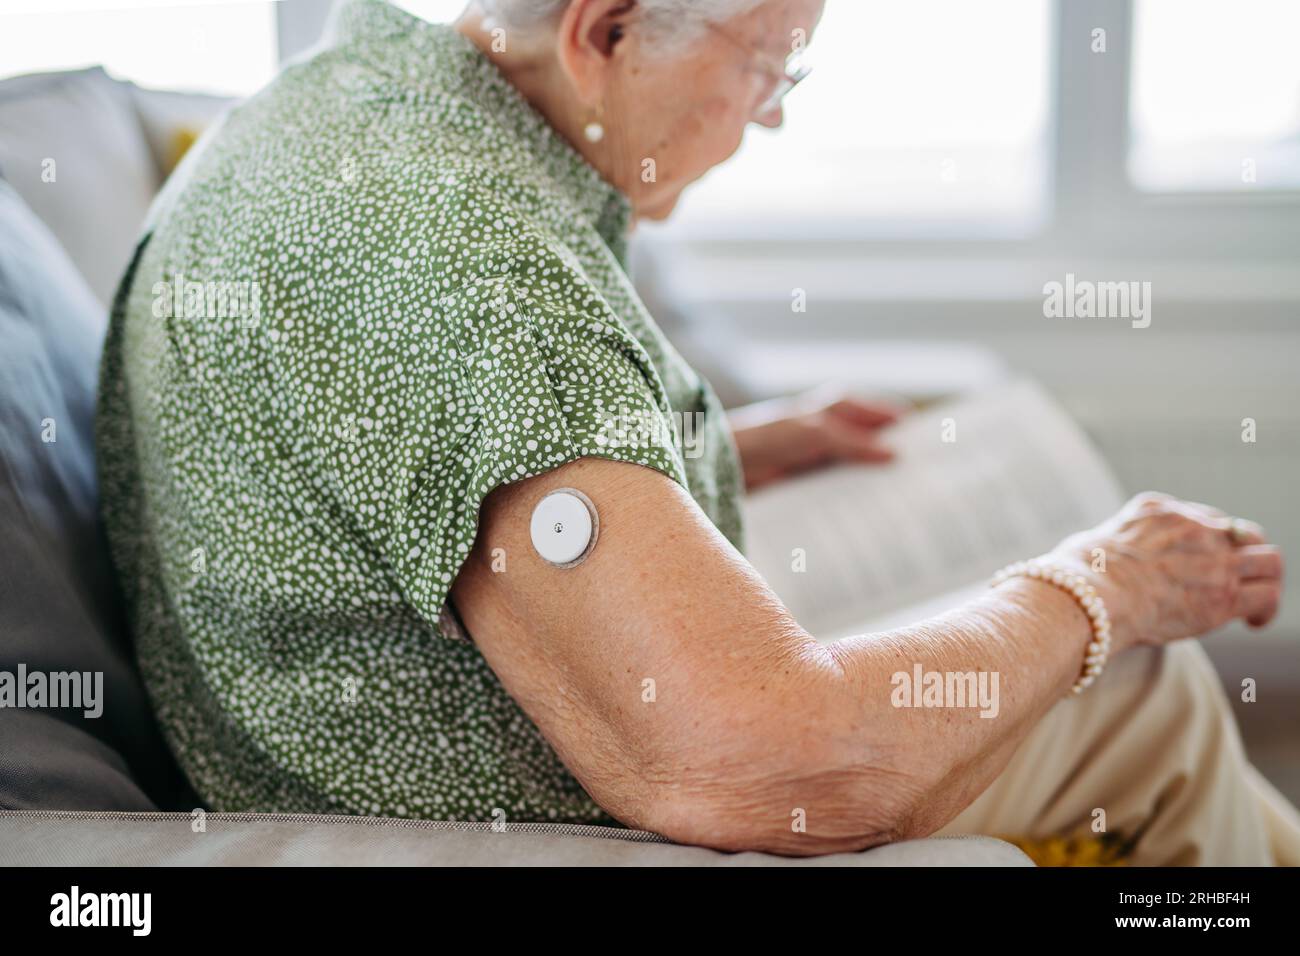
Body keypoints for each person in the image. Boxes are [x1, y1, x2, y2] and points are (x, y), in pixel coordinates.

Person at [96, 0, 1299, 863]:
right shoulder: (475, 272)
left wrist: (716, 440)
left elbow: (419, 431)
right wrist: (1101, 584)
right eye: (773, 70)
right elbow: (767, 761)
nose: (769, 119)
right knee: (1140, 680)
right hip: (469, 799)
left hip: (349, 708)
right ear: (606, 32)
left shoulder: (354, 95)